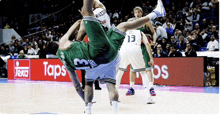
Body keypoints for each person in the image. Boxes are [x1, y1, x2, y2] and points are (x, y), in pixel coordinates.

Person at [49, 0, 165, 114]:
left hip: (100, 61)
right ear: (57, 44)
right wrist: (83, 18)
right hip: (99, 50)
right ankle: (155, 14)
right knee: (93, 15)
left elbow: (77, 86)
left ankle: (88, 110)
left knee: (90, 83)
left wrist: (85, 100)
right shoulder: (63, 42)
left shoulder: (67, 65)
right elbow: (78, 26)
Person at [115, 30, 155, 104]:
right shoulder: (140, 32)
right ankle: (149, 97)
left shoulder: (124, 31)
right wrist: (151, 58)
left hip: (124, 50)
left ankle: (114, 96)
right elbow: (147, 44)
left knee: (119, 72)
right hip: (135, 48)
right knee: (143, 73)